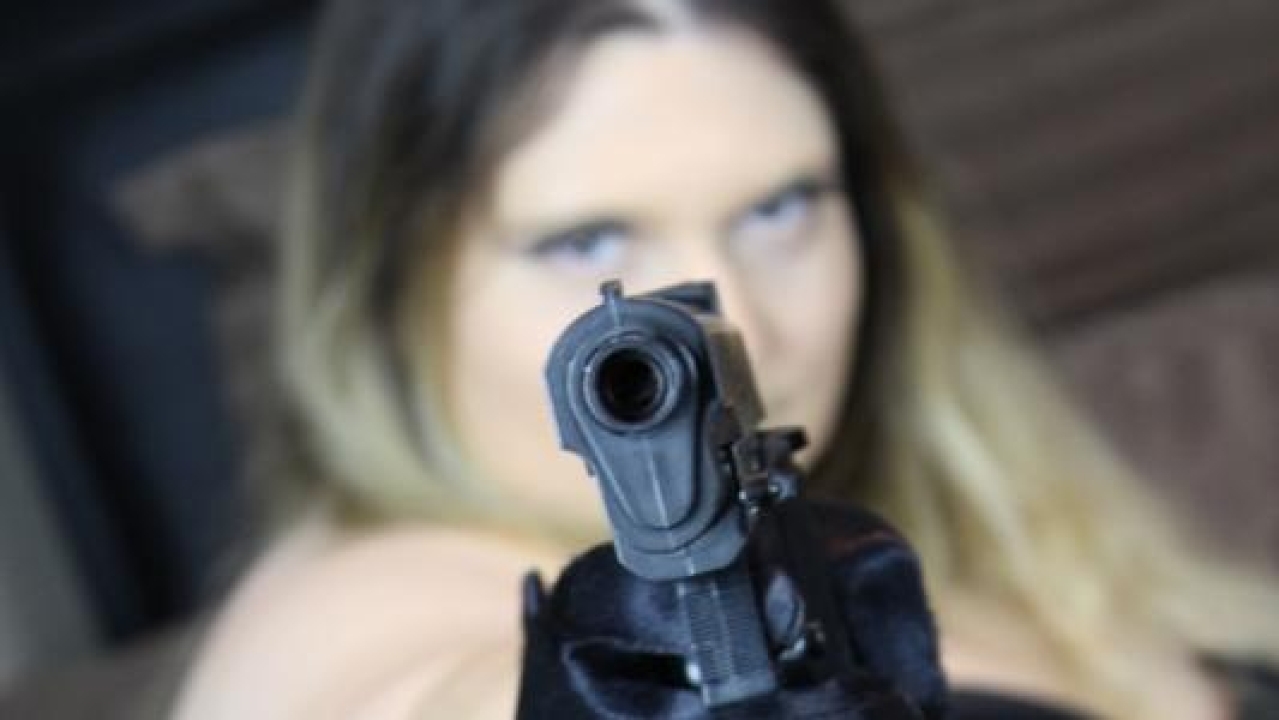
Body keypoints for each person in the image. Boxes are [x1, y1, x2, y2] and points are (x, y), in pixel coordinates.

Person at [172, 0, 1279, 718]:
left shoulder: (952, 517)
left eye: (780, 209)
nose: (731, 318)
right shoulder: (352, 617)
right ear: (389, 289)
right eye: (587, 241)